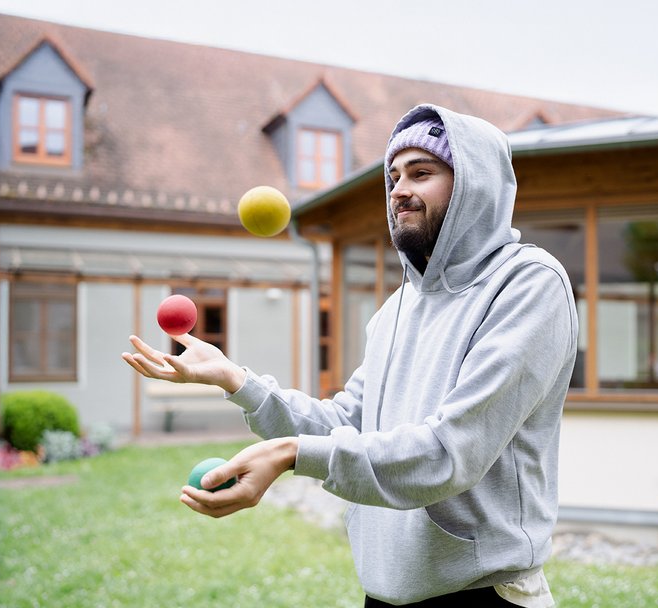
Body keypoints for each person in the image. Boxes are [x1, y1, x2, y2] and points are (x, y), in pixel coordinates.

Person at [122, 104, 577, 607]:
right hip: (383, 591)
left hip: (483, 592)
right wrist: (237, 380)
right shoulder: (394, 310)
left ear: (475, 184)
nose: (399, 189)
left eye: (421, 173)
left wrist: (291, 455)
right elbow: (345, 421)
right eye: (393, 175)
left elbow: (451, 451)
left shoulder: (529, 284)